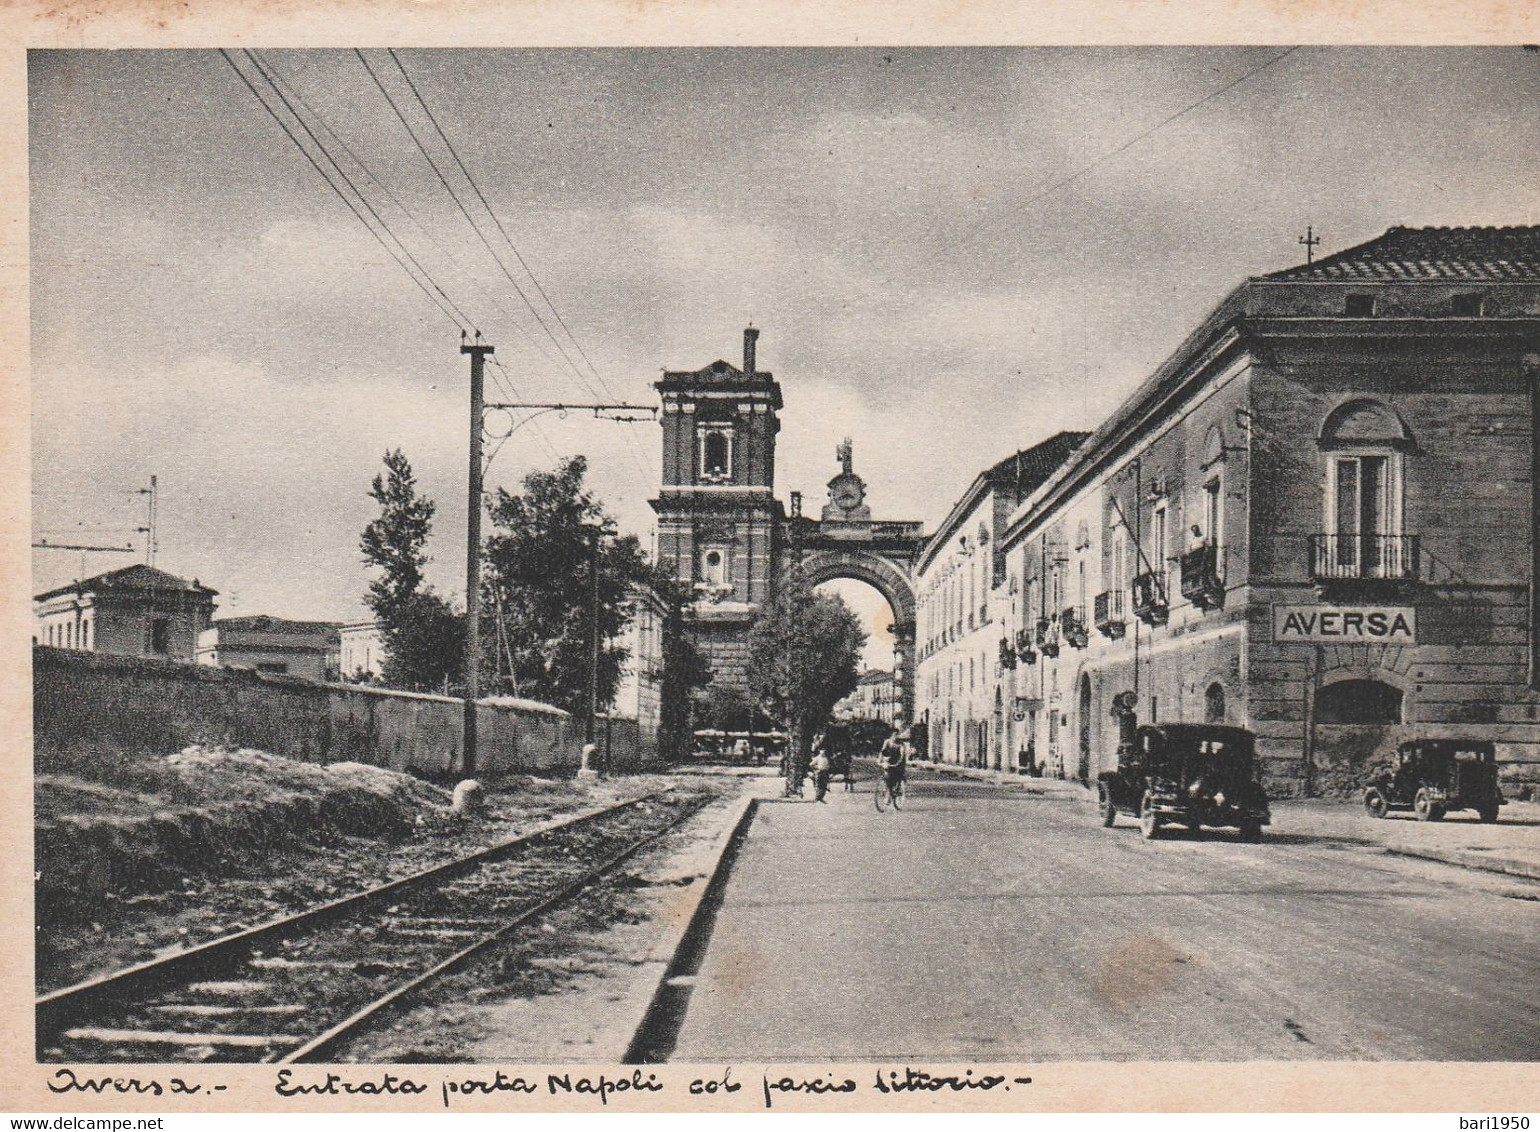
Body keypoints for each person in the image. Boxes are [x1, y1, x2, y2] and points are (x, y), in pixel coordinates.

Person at [877, 727, 909, 802]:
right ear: (891, 735)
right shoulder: (887, 742)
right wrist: (879, 759)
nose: (895, 736)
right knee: (887, 777)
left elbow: (902, 755)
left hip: (899, 763)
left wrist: (898, 763)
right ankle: (888, 794)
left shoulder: (901, 744)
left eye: (896, 734)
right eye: (893, 735)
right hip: (890, 761)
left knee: (901, 777)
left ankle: (903, 794)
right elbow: (882, 752)